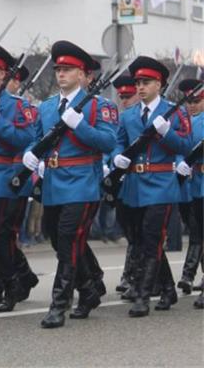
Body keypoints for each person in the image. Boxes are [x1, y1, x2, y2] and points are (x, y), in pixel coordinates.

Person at [22, 41, 117, 328]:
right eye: (59, 69)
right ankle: (88, 289)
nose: (61, 74)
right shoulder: (48, 107)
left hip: (82, 183)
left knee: (67, 239)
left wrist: (81, 125)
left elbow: (108, 142)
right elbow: (36, 137)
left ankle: (58, 305)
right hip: (53, 183)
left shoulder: (100, 106)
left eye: (68, 69)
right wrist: (30, 154)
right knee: (57, 239)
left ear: (83, 74)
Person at [114, 57, 193, 317]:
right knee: (141, 239)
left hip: (161, 185)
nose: (140, 87)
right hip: (134, 185)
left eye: (146, 82)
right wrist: (117, 157)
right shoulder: (128, 116)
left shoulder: (175, 112)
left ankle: (143, 295)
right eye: (138, 82)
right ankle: (168, 288)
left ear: (159, 84)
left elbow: (186, 145)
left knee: (152, 237)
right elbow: (118, 142)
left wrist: (167, 132)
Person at [0, 42, 38, 313]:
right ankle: (15, 280)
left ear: (4, 74)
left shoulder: (16, 106)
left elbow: (24, 139)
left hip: (3, 175)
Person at [111, 74, 142, 299]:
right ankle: (133, 275)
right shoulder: (121, 119)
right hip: (123, 183)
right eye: (122, 97)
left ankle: (135, 277)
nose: (124, 101)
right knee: (131, 231)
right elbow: (114, 145)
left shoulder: (145, 118)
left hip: (144, 181)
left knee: (143, 234)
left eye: (128, 96)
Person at [175, 78, 203, 299]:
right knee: (195, 230)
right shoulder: (181, 120)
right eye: (189, 101)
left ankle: (189, 274)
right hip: (186, 183)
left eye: (197, 100)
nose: (192, 105)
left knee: (199, 231)